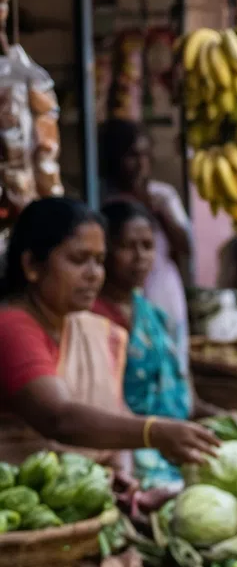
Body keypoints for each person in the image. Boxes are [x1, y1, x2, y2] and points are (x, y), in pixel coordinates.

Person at [0, 197, 217, 471]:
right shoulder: (12, 327)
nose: (94, 274)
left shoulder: (87, 328)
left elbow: (114, 409)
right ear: (32, 265)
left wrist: (121, 470)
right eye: (79, 260)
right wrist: (153, 432)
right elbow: (58, 418)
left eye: (99, 261)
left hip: (85, 492)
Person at [95, 199, 200, 485]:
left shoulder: (152, 314)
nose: (140, 256)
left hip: (174, 443)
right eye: (128, 246)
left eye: (148, 245)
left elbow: (180, 381)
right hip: (130, 454)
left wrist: (220, 417)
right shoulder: (93, 320)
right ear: (105, 251)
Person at [97, 119, 193, 366]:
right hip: (119, 291)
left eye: (145, 156)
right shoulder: (102, 199)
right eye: (132, 156)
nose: (140, 164)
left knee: (169, 356)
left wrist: (162, 214)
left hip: (161, 288)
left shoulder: (163, 196)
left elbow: (187, 247)